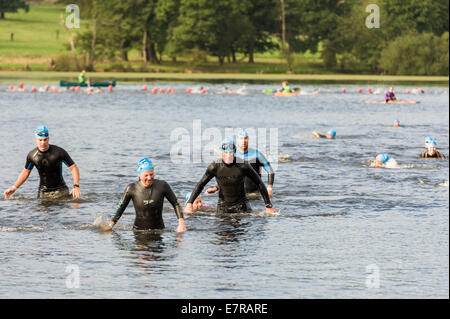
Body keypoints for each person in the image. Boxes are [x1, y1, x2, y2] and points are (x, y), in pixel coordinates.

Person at [184, 139, 276, 215]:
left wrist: (268, 206)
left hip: (241, 205)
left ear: (234, 152)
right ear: (221, 153)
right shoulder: (215, 166)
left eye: (230, 153)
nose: (228, 155)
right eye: (226, 152)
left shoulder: (243, 165)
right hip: (223, 205)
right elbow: (200, 184)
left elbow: (259, 183)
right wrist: (189, 204)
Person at [103, 158, 186, 232]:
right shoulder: (132, 188)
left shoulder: (162, 186)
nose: (149, 177)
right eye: (146, 175)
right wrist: (110, 225)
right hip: (138, 230)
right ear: (139, 175)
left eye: (151, 174)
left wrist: (181, 223)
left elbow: (176, 204)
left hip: (159, 230)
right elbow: (121, 207)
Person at [4, 126, 81, 200]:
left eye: (45, 139)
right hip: (43, 193)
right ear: (36, 140)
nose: (43, 142)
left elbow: (73, 168)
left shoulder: (59, 152)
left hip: (61, 191)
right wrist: (14, 188)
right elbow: (25, 172)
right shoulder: (32, 155)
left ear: (48, 139)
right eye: (40, 140)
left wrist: (76, 186)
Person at [234, 129, 275, 197]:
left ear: (248, 140)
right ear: (238, 141)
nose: (243, 141)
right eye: (241, 138)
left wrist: (269, 188)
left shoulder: (256, 154)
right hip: (239, 195)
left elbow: (270, 171)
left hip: (255, 194)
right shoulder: (234, 156)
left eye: (245, 138)